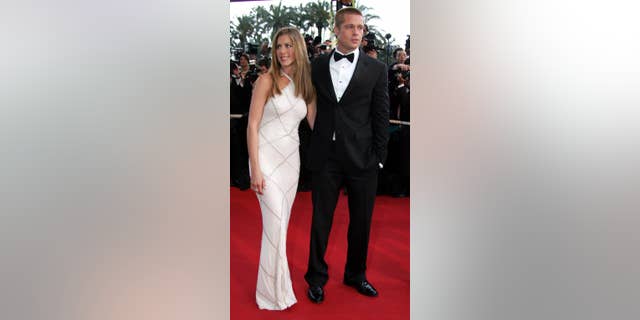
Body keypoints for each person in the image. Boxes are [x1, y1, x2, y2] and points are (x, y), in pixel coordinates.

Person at [304, 7, 389, 303]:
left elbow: (381, 114)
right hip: (326, 156)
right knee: (320, 221)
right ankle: (315, 277)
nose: (357, 33)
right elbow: (306, 102)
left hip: (362, 158)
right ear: (337, 30)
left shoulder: (377, 69)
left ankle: (356, 274)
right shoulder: (316, 65)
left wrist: (379, 156)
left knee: (362, 221)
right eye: (351, 27)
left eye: (360, 28)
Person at [247, 26, 316, 310]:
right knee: (274, 224)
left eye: (288, 45)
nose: (283, 51)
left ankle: (279, 289)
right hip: (265, 159)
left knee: (280, 228)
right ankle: (269, 293)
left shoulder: (306, 86)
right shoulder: (266, 80)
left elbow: (317, 126)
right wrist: (255, 168)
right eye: (279, 46)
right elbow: (252, 125)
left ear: (298, 48)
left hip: (291, 162)